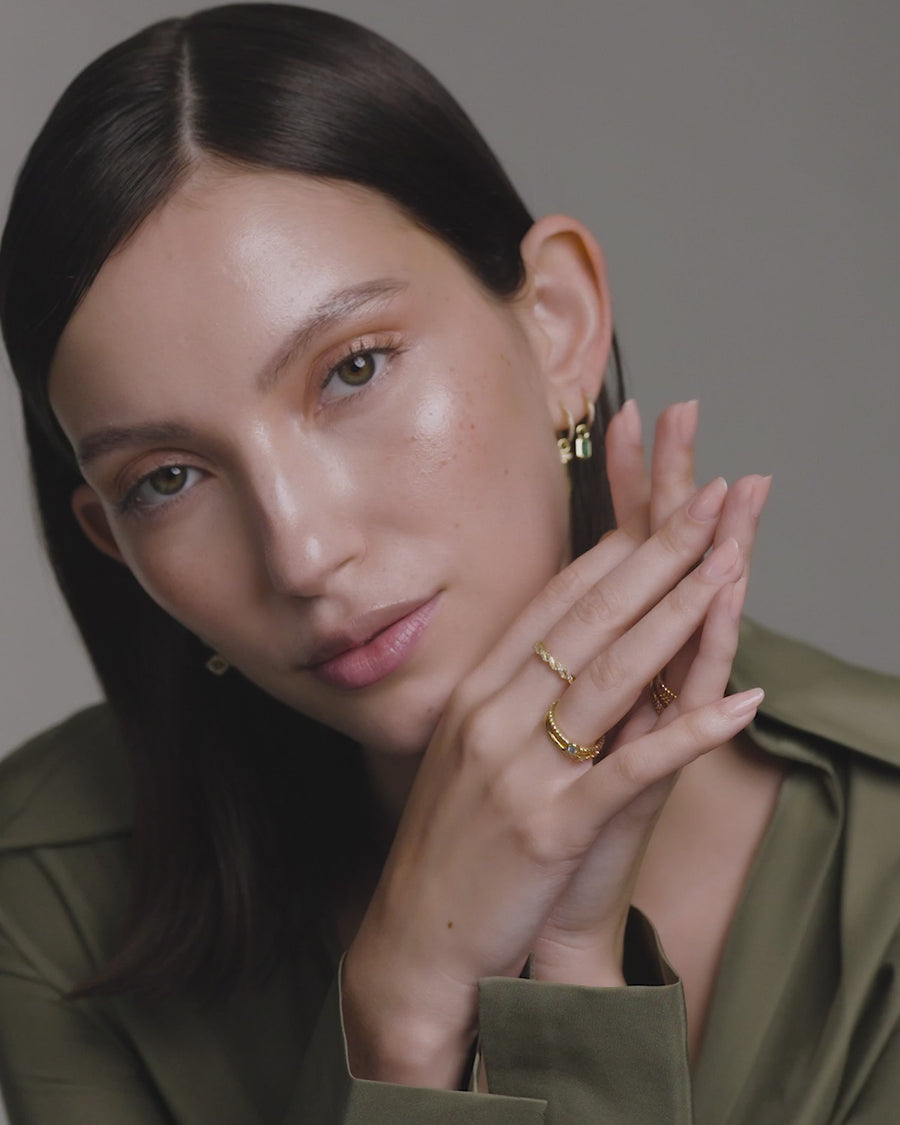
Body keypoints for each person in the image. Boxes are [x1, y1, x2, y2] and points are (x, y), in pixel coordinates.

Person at [0, 4, 897, 1123]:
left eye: (354, 369)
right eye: (167, 480)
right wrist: (400, 1011)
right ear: (115, 543)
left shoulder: (879, 859)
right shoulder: (49, 893)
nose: (304, 550)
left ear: (558, 326)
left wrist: (571, 963)